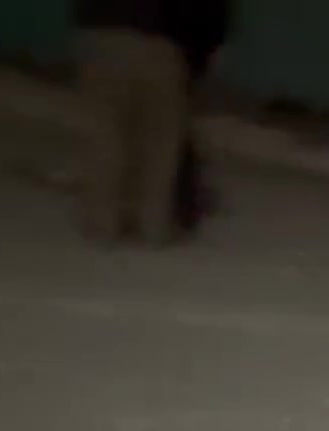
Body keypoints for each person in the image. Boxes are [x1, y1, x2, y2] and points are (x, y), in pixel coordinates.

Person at [72, 0, 190, 246]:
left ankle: (102, 222)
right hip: (162, 41)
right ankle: (151, 224)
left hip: (103, 36)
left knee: (104, 132)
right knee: (159, 141)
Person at [172, 0, 232, 235]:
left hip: (172, 52)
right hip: (188, 56)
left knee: (170, 131)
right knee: (177, 130)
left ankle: (181, 198)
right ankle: (184, 200)